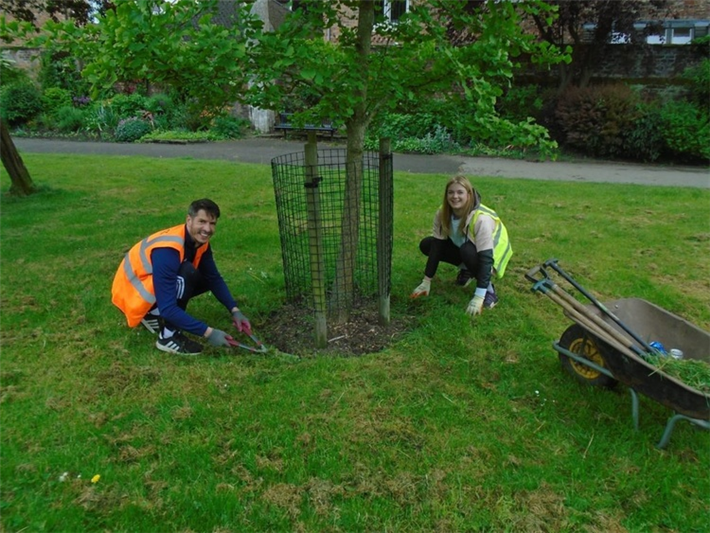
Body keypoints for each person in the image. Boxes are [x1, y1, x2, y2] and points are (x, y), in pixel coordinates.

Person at [111, 198, 252, 355]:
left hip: (147, 287)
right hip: (131, 296)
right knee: (187, 273)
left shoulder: (199, 242)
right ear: (189, 220)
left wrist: (234, 310)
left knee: (204, 277)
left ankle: (151, 313)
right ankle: (167, 337)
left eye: (212, 224)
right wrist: (209, 333)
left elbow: (213, 278)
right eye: (202, 221)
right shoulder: (169, 250)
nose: (207, 229)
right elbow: (168, 309)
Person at [410, 175, 512, 317]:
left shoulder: (481, 219)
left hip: (492, 255)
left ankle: (489, 291)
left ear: (469, 194)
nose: (455, 197)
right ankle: (468, 270)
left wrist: (479, 296)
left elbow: (486, 257)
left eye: (460, 192)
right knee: (427, 244)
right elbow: (437, 246)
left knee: (467, 250)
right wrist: (426, 281)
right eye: (451, 192)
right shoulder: (442, 212)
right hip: (468, 247)